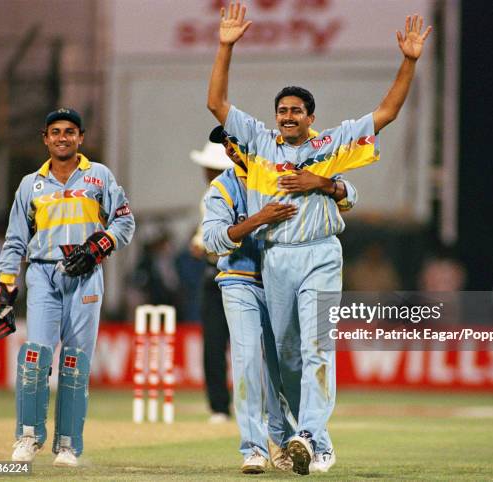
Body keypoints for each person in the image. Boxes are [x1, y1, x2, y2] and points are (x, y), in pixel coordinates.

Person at [207, 3, 431, 475]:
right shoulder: (259, 142)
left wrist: (408, 61)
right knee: (287, 357)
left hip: (321, 256)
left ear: (311, 116)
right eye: (282, 111)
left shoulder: (331, 145)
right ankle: (308, 437)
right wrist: (225, 47)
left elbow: (386, 112)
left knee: (315, 348)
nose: (288, 117)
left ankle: (311, 437)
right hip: (275, 259)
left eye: (296, 111)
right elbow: (217, 105)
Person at [202, 125, 358, 474]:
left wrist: (329, 185)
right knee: (246, 362)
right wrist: (259, 219)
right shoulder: (223, 188)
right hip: (240, 281)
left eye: (236, 144)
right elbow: (213, 240)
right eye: (229, 147)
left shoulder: (285, 169)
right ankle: (254, 448)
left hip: (283, 278)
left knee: (284, 366)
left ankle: (301, 439)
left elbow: (347, 196)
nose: (232, 151)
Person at [0, 108, 135, 467]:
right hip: (42, 273)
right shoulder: (30, 184)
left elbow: (125, 221)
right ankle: (27, 437)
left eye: (70, 131)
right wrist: (6, 288)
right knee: (34, 356)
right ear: (45, 138)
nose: (62, 137)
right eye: (55, 132)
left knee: (75, 362)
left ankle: (67, 445)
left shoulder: (98, 177)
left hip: (86, 275)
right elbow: (16, 239)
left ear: (81, 137)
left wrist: (101, 245)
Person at [190, 140, 234, 423]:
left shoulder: (234, 192)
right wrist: (199, 244)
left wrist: (203, 244)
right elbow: (202, 237)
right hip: (213, 275)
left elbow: (219, 238)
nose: (205, 172)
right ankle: (219, 407)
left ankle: (255, 404)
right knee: (214, 344)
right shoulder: (208, 196)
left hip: (238, 274)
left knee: (249, 345)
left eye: (210, 167)